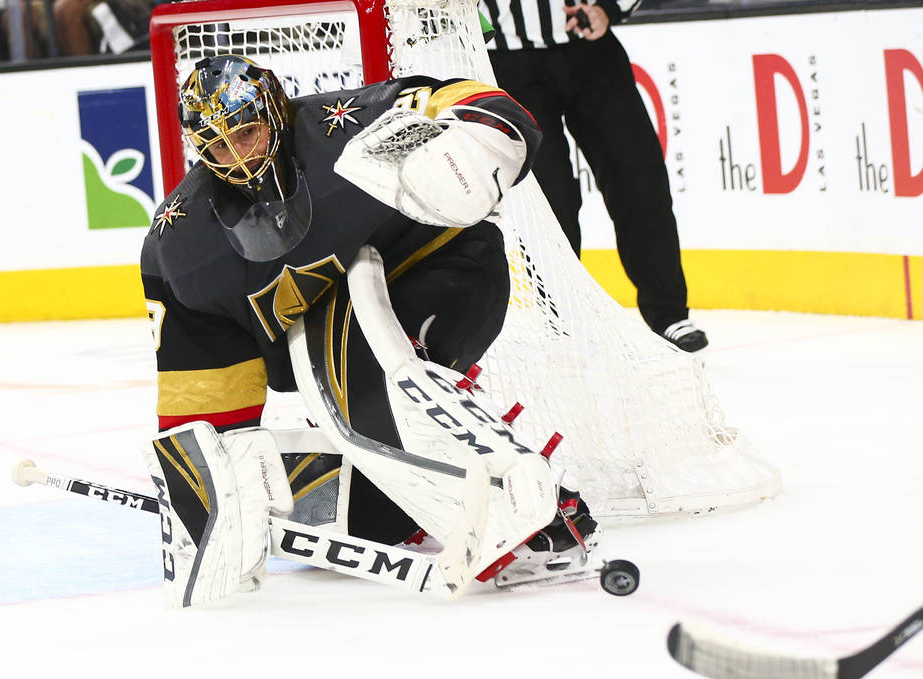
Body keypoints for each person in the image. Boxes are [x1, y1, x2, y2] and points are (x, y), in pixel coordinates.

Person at [140, 55, 600, 607]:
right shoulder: (183, 247)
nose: (238, 156)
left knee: (372, 382)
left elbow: (461, 100)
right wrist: (208, 489)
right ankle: (420, 497)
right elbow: (200, 387)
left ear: (274, 113)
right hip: (329, 343)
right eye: (219, 147)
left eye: (247, 132)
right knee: (360, 514)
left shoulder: (347, 128)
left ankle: (538, 503)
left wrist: (484, 137)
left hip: (447, 269)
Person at [478, 0, 709, 351]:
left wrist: (611, 6)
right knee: (549, 199)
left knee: (638, 179)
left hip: (590, 48)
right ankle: (563, 320)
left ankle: (669, 314)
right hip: (508, 61)